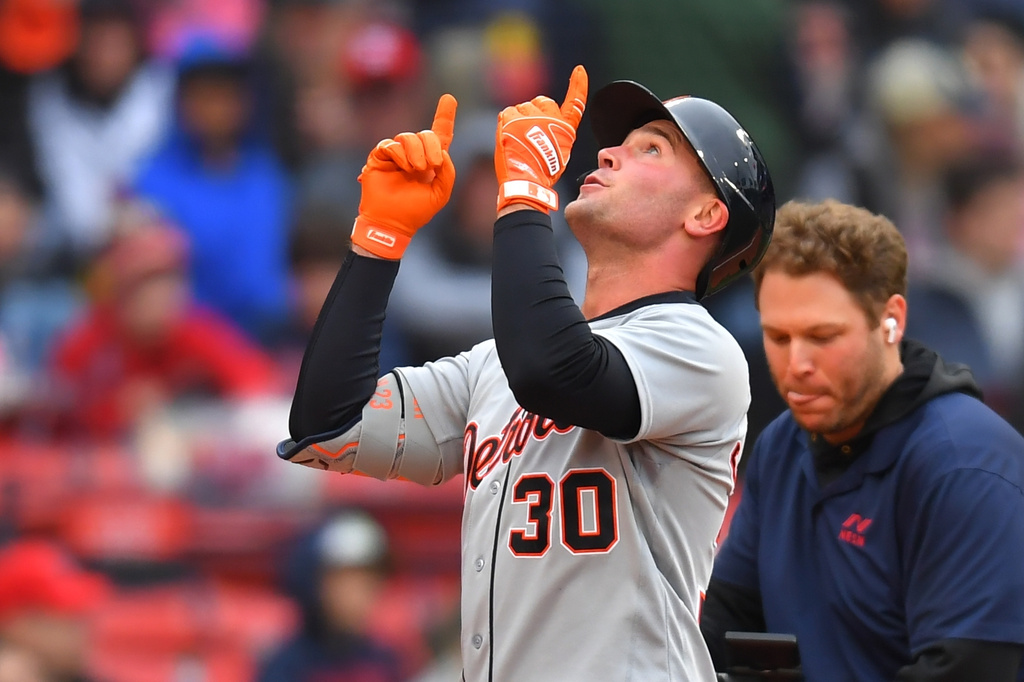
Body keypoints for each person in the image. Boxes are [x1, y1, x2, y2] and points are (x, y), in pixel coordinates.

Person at [278, 63, 775, 681]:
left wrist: (524, 194)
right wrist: (379, 238)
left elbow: (551, 371)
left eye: (652, 148)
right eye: (618, 141)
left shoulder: (701, 349)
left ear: (706, 215)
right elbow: (328, 426)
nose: (610, 153)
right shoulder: (497, 362)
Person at [700, 199, 1024, 681]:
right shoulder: (781, 445)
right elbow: (720, 629)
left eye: (824, 335)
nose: (797, 364)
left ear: (891, 319)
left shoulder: (966, 464)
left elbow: (971, 670)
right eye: (779, 337)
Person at [257, 510, 404, 682]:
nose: (359, 594)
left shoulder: (385, 660)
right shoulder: (286, 665)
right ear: (316, 582)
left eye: (369, 581)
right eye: (346, 579)